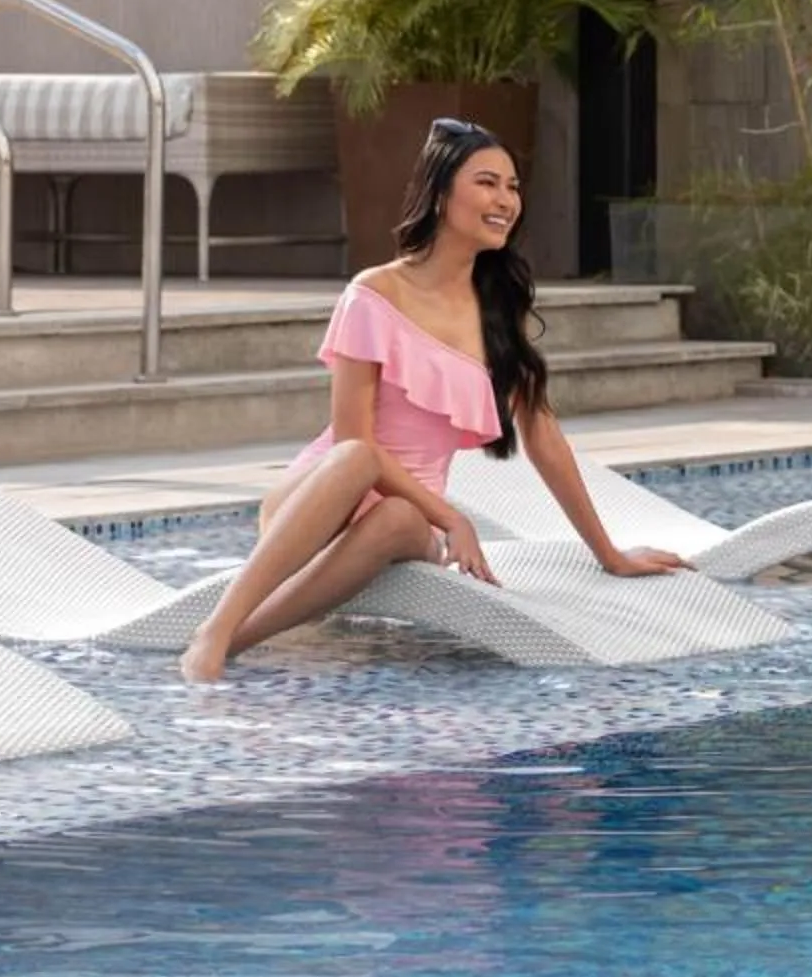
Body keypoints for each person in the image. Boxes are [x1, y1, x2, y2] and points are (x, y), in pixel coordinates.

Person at [179, 119, 685, 681]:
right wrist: (452, 517)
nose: (505, 200)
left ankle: (230, 641)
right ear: (442, 194)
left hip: (407, 521)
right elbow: (351, 441)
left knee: (399, 515)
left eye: (513, 187)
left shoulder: (498, 310)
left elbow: (544, 438)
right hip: (323, 497)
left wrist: (609, 554)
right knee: (357, 456)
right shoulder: (373, 293)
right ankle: (216, 630)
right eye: (486, 183)